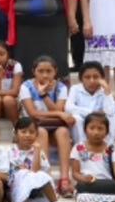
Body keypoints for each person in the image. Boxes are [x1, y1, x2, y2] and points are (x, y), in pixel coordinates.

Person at [17, 55, 74, 194]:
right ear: (33, 71)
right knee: (41, 131)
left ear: (55, 72)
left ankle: (64, 179)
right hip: (33, 127)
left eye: (49, 71)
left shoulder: (61, 87)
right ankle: (46, 178)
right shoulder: (26, 86)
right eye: (40, 71)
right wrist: (60, 114)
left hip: (54, 127)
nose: (45, 75)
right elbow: (32, 113)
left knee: (63, 132)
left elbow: (58, 110)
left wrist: (44, 95)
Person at [8, 117, 66, 202]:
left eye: (31, 132)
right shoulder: (10, 151)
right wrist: (27, 172)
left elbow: (36, 170)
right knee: (24, 173)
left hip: (37, 189)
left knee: (41, 175)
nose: (27, 135)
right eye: (23, 132)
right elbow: (15, 174)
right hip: (18, 190)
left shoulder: (38, 151)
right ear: (16, 133)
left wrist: (37, 152)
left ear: (36, 135)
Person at [66, 62, 115, 144]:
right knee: (76, 118)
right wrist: (91, 112)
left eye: (96, 77)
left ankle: (107, 146)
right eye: (87, 77)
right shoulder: (75, 89)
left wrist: (107, 91)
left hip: (99, 121)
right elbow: (68, 107)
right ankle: (81, 146)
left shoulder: (104, 90)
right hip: (83, 120)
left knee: (114, 117)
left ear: (102, 78)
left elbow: (110, 111)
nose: (92, 80)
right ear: (81, 79)